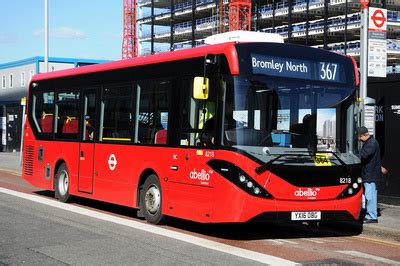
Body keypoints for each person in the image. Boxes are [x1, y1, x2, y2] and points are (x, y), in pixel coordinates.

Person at [358, 126, 382, 223]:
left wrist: (354, 153)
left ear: (363, 135)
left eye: (359, 137)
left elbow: (363, 155)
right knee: (370, 195)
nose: (359, 139)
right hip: (369, 174)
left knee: (370, 196)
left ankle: (372, 216)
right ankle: (370, 214)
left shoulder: (371, 143)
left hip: (370, 175)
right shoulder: (370, 142)